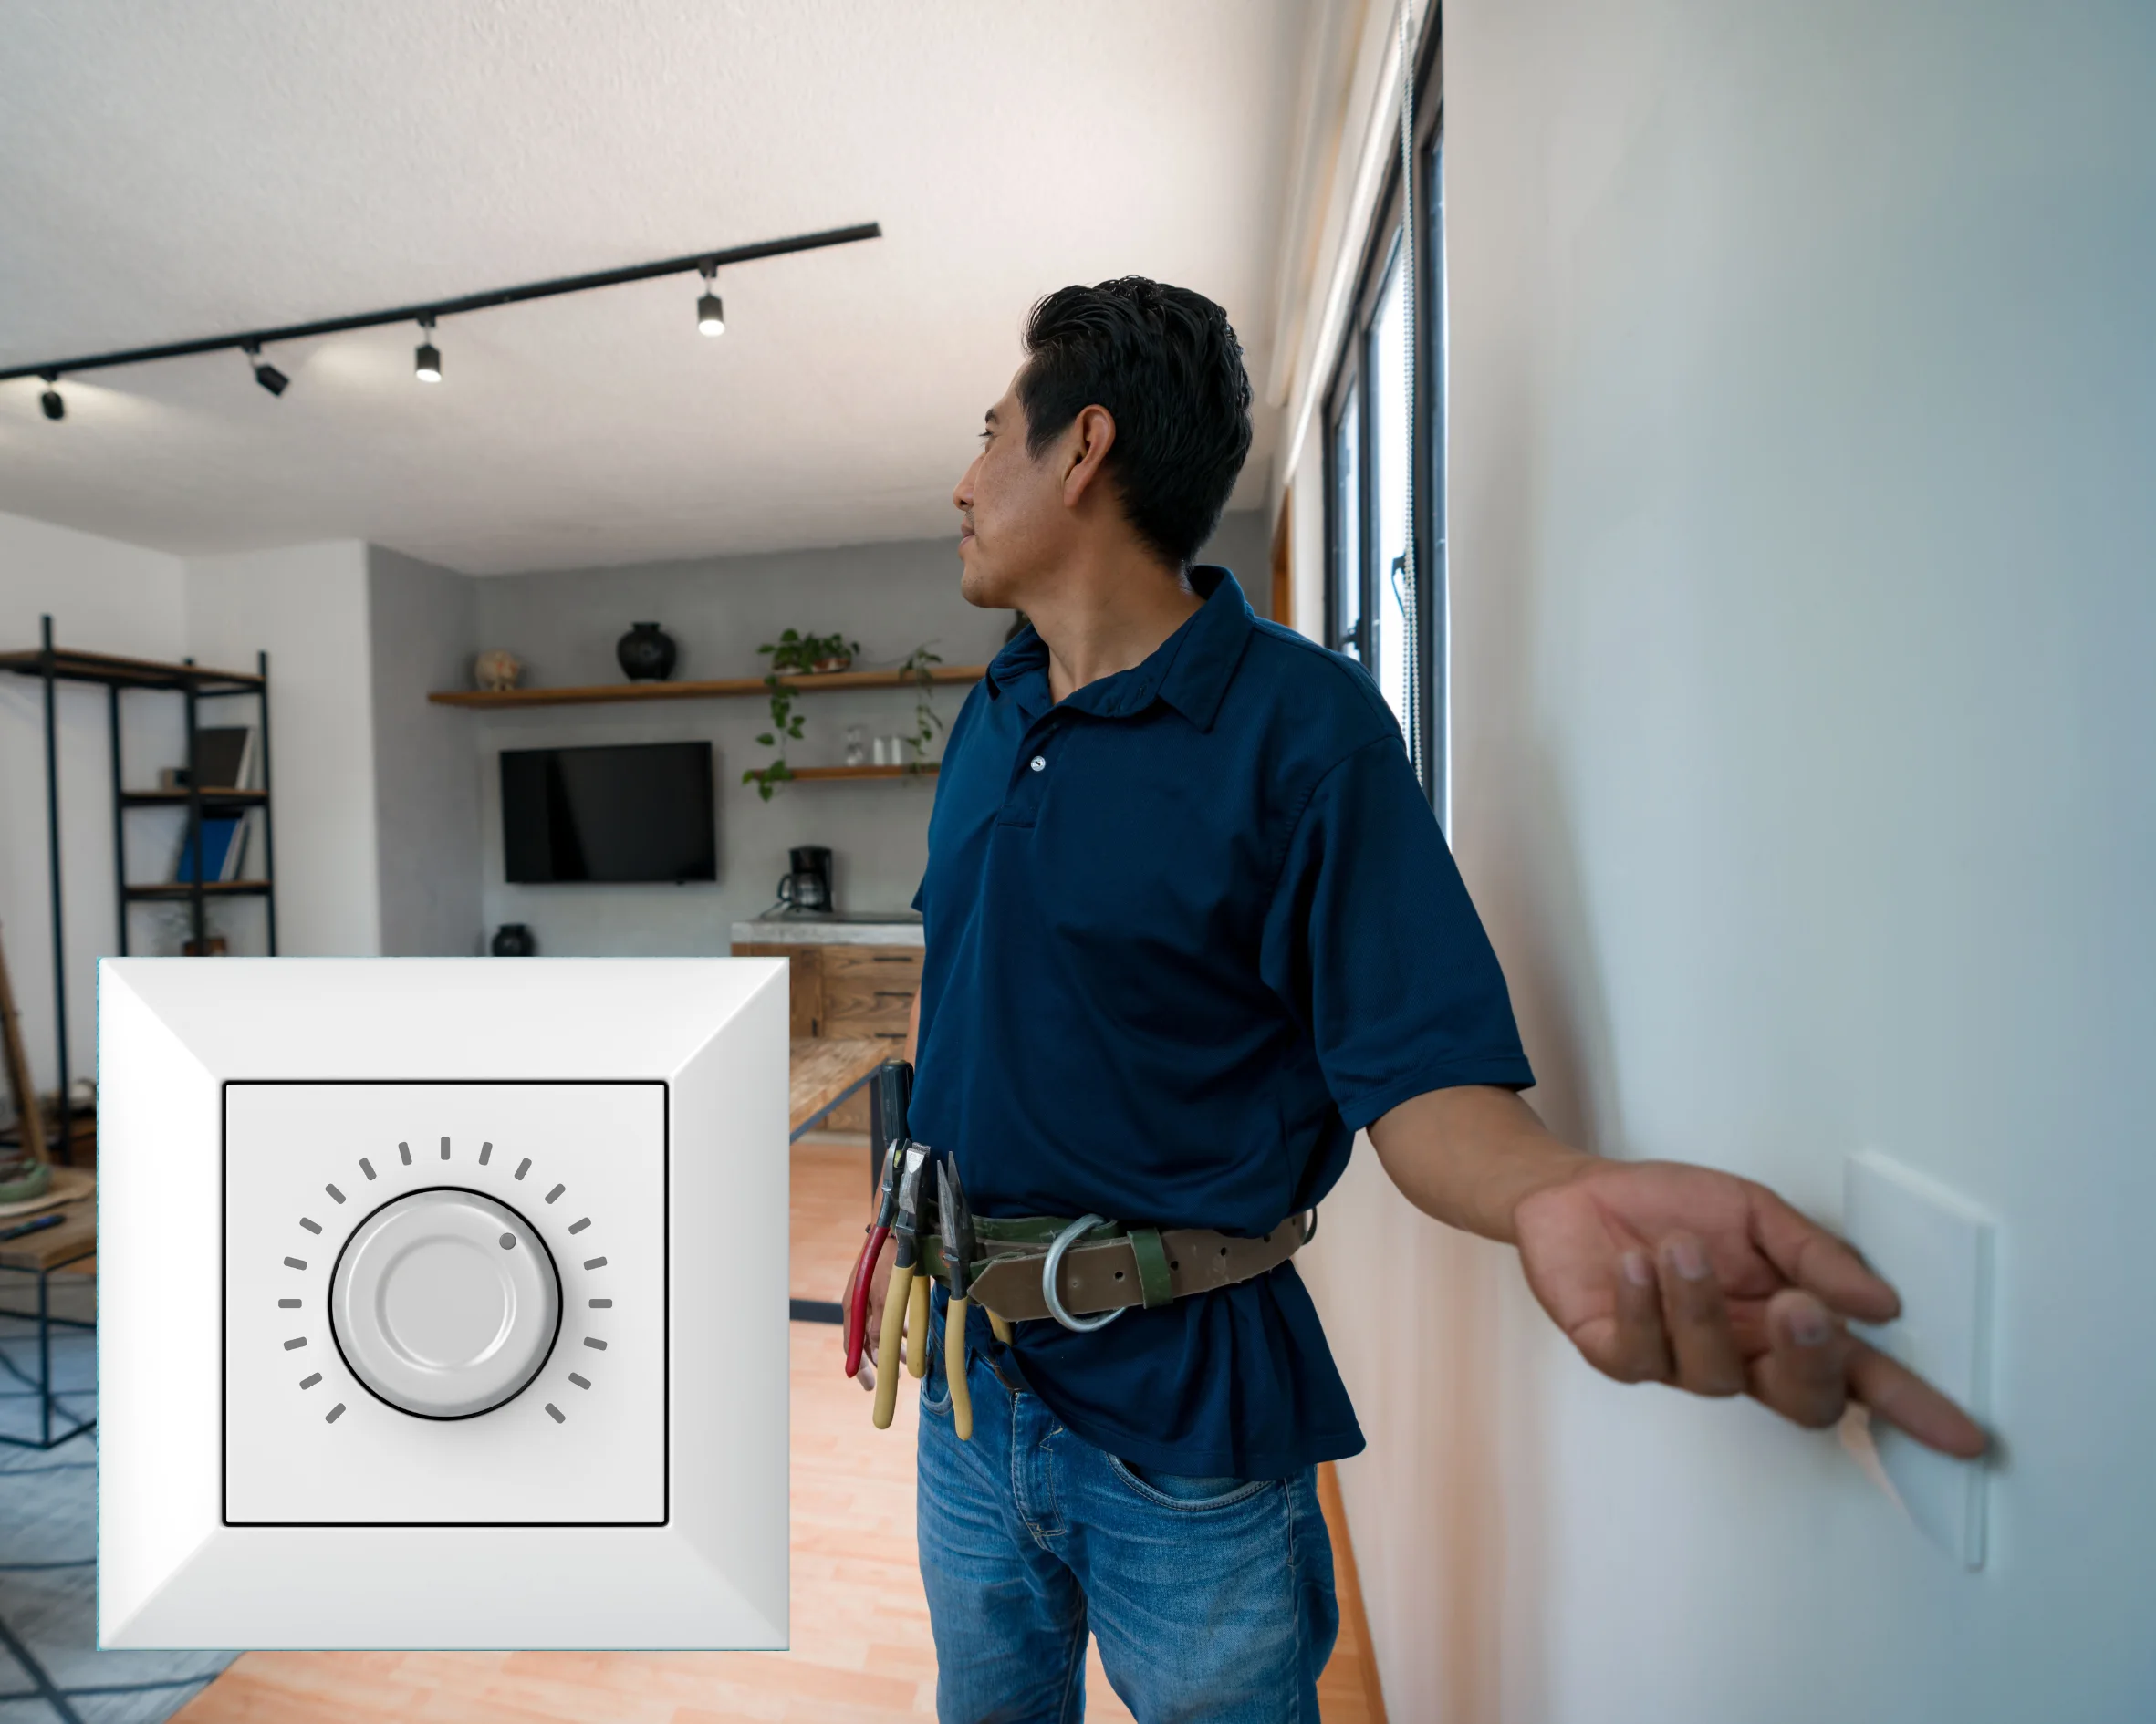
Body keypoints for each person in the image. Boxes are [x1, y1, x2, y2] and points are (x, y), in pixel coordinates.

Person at [846, 276, 1986, 1724]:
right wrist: (905, 1207)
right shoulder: (994, 707)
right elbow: (960, 975)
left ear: (1080, 450)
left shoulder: (1301, 728)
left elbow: (1417, 1071)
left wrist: (1550, 1190)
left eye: (989, 434)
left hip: (1181, 1432)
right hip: (966, 1393)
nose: (959, 483)